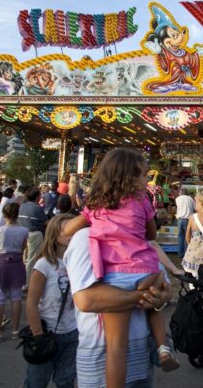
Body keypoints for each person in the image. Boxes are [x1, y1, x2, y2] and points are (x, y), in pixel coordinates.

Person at [62, 148, 178, 387]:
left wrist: (89, 220)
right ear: (131, 176)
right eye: (144, 175)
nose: (147, 180)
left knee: (116, 347)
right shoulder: (142, 200)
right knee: (152, 305)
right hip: (147, 272)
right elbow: (151, 234)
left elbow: (67, 230)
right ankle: (162, 346)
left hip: (115, 277)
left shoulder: (97, 204)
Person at [64, 226, 172, 388]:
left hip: (141, 359)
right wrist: (142, 295)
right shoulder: (85, 237)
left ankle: (163, 348)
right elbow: (86, 300)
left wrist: (161, 297)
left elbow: (162, 282)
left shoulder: (137, 235)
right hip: (99, 361)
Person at [24, 214, 78, 388]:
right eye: (66, 231)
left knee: (66, 381)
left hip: (73, 333)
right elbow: (31, 302)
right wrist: (38, 334)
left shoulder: (77, 262)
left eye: (74, 230)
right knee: (37, 382)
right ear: (54, 234)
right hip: (47, 334)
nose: (71, 234)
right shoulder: (44, 264)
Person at [0, 203, 29, 343]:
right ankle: (15, 330)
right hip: (16, 262)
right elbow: (23, 246)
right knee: (16, 297)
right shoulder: (24, 230)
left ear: (4, 215)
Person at [18, 187, 49, 290]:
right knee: (32, 259)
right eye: (39, 195)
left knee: (24, 258)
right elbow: (46, 223)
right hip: (34, 234)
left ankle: (22, 280)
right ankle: (26, 283)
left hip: (22, 233)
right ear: (37, 197)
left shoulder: (21, 206)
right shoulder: (37, 208)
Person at [175, 188, 196, 258]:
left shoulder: (177, 199)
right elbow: (195, 208)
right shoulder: (190, 199)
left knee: (180, 237)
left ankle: (180, 253)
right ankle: (187, 254)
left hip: (180, 219)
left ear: (181, 192)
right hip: (188, 219)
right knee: (188, 236)